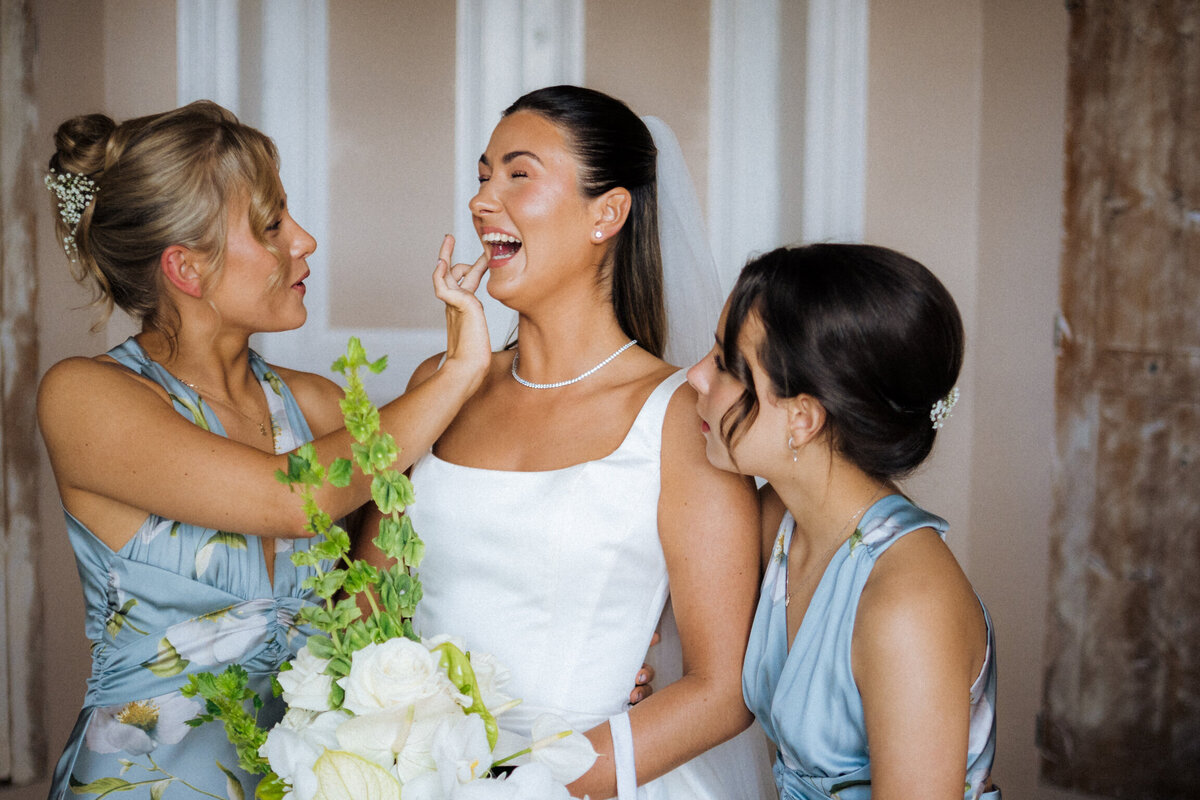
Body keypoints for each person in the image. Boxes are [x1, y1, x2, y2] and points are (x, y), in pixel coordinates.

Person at [38, 101, 491, 799]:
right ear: (187, 270)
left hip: (304, 783)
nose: (305, 240)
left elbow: (396, 585)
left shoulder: (314, 408)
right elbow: (292, 498)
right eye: (273, 224)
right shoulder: (84, 397)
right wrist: (459, 373)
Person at [359, 85, 775, 799]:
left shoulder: (680, 416)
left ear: (607, 213)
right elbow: (365, 606)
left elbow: (722, 688)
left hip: (588, 780)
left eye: (518, 174)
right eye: (484, 175)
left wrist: (516, 785)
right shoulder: (444, 381)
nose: (483, 200)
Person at [686, 244, 1001, 799]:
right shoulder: (775, 521)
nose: (694, 377)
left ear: (802, 418)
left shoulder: (906, 605)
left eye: (726, 366)